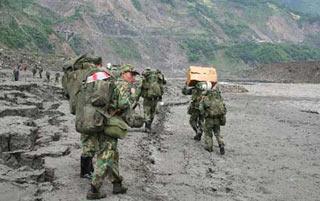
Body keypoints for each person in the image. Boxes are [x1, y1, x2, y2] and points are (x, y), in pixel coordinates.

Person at [87, 64, 139, 200]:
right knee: (105, 155)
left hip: (101, 120)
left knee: (113, 154)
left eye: (134, 74)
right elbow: (122, 104)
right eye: (131, 73)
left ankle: (117, 183)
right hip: (109, 124)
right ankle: (94, 189)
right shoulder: (123, 85)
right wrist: (132, 97)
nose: (133, 76)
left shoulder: (113, 83)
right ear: (123, 73)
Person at [199, 82, 226, 154]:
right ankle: (221, 144)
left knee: (208, 133)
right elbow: (224, 108)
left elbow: (201, 108)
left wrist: (204, 114)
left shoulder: (205, 98)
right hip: (218, 119)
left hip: (209, 119)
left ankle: (209, 147)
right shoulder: (219, 97)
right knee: (217, 132)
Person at [141, 68, 166, 133]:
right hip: (155, 98)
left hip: (148, 98)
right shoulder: (159, 76)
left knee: (147, 113)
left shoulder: (146, 77)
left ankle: (147, 127)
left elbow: (141, 85)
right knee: (152, 113)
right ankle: (148, 126)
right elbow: (163, 84)